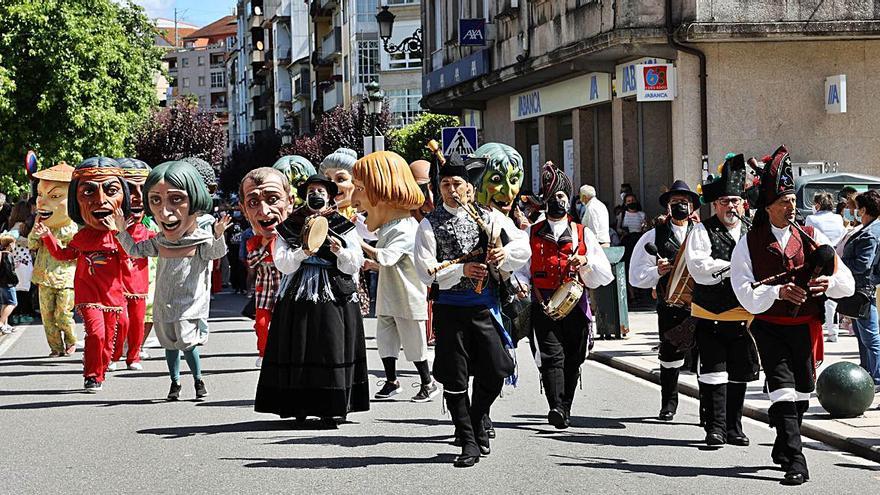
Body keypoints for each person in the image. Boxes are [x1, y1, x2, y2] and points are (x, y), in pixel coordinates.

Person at [731, 145, 853, 486]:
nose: (791, 207)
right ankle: (796, 462)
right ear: (767, 207)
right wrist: (777, 291)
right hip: (770, 327)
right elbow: (743, 292)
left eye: (793, 201)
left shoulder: (812, 237)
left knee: (801, 394)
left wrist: (828, 283)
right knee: (782, 390)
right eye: (784, 202)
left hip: (806, 329)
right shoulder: (749, 243)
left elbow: (845, 281)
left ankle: (784, 442)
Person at [414, 155, 530, 468]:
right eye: (445, 184)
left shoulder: (489, 217)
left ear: (469, 188)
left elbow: (524, 247)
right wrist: (462, 270)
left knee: (495, 370)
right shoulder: (429, 224)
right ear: (439, 188)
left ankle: (477, 419)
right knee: (455, 379)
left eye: (457, 184)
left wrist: (504, 252)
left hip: (485, 308)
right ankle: (467, 440)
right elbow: (426, 271)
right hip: (450, 310)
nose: (451, 190)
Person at [254, 174, 369, 428]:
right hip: (298, 293)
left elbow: (355, 262)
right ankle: (298, 405)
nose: (316, 194)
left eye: (320, 190)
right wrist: (301, 253)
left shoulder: (343, 225)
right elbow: (282, 263)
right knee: (299, 346)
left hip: (333, 293)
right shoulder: (290, 225)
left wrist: (340, 252)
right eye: (311, 190)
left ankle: (333, 407)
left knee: (331, 345)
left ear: (329, 195)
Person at [113, 160, 230, 401]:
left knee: (187, 344)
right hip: (164, 303)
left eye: (176, 200)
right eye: (156, 201)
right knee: (169, 345)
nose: (165, 213)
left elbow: (216, 253)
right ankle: (175, 383)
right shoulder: (160, 241)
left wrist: (218, 236)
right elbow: (135, 250)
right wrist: (120, 232)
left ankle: (198, 381)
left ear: (196, 201)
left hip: (189, 304)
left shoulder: (199, 240)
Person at [34, 157, 130, 392]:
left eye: (110, 191)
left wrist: (118, 232)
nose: (100, 200)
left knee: (109, 340)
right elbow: (63, 255)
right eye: (88, 191)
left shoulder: (120, 236)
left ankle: (103, 367)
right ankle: (92, 375)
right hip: (88, 296)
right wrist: (47, 235)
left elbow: (129, 258)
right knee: (96, 334)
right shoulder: (81, 237)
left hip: (113, 298)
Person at [529, 163, 613, 429]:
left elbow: (604, 274)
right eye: (553, 197)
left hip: (575, 307)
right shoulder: (531, 232)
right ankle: (555, 407)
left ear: (570, 200)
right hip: (543, 306)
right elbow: (521, 269)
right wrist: (520, 285)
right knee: (552, 356)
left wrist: (585, 261)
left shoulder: (582, 232)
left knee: (573, 358)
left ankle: (565, 406)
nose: (557, 201)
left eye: (562, 197)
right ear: (545, 201)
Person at [684, 153, 759, 447]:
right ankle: (714, 428)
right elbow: (699, 267)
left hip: (744, 316)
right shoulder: (702, 230)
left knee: (739, 374)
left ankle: (734, 427)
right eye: (725, 201)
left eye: (735, 201)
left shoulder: (752, 231)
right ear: (715, 205)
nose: (731, 206)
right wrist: (732, 267)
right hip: (711, 314)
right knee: (714, 373)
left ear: (743, 203)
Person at [352, 151, 439, 402]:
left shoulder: (407, 226)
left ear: (385, 190)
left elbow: (389, 256)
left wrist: (360, 244)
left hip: (407, 296)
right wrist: (371, 263)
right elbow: (392, 263)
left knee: (413, 341)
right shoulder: (389, 226)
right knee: (385, 337)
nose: (355, 199)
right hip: (390, 293)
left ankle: (427, 381)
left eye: (360, 188)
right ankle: (392, 381)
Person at [629, 180, 700, 421]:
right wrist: (657, 272)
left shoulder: (702, 234)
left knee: (705, 358)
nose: (680, 206)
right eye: (675, 202)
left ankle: (708, 411)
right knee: (670, 356)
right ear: (668, 207)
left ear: (692, 207)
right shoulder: (654, 235)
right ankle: (668, 403)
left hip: (702, 306)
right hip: (670, 306)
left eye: (684, 202)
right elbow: (635, 275)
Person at [239, 167, 291, 368]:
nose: (264, 211)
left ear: (290, 201)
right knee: (261, 324)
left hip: (288, 292)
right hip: (265, 291)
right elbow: (251, 263)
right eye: (253, 203)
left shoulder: (296, 237)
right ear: (244, 209)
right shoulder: (253, 241)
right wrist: (264, 245)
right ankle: (263, 352)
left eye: (273, 199)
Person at [109, 158, 156, 372]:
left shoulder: (149, 230)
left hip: (139, 287)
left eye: (142, 189)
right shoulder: (107, 228)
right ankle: (114, 355)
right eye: (130, 189)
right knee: (122, 323)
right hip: (116, 287)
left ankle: (133, 356)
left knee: (137, 323)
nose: (137, 196)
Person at [28, 162, 78, 356]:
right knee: (47, 317)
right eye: (40, 195)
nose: (42, 202)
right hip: (43, 276)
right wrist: (38, 232)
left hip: (66, 277)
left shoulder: (73, 227)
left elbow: (71, 248)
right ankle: (55, 347)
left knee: (64, 314)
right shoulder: (40, 224)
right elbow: (32, 244)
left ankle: (71, 340)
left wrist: (48, 234)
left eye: (55, 196)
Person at [840, 190, 880, 386]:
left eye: (856, 209)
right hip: (860, 289)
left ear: (863, 210)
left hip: (863, 290)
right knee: (864, 335)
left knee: (870, 337)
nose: (853, 212)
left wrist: (839, 264)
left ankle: (877, 375)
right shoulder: (871, 229)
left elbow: (863, 264)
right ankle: (867, 371)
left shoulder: (870, 234)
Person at [805, 192, 846, 342]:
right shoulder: (838, 218)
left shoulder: (811, 218)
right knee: (833, 295)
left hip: (820, 257)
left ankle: (824, 327)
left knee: (821, 293)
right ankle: (833, 331)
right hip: (836, 255)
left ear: (818, 204)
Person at [0, 234, 17, 334]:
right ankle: (1, 323)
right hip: (8, 283)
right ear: (10, 244)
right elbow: (10, 271)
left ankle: (5, 325)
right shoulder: (8, 255)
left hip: (1, 283)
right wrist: (15, 280)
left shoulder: (1, 253)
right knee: (13, 303)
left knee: (4, 303)